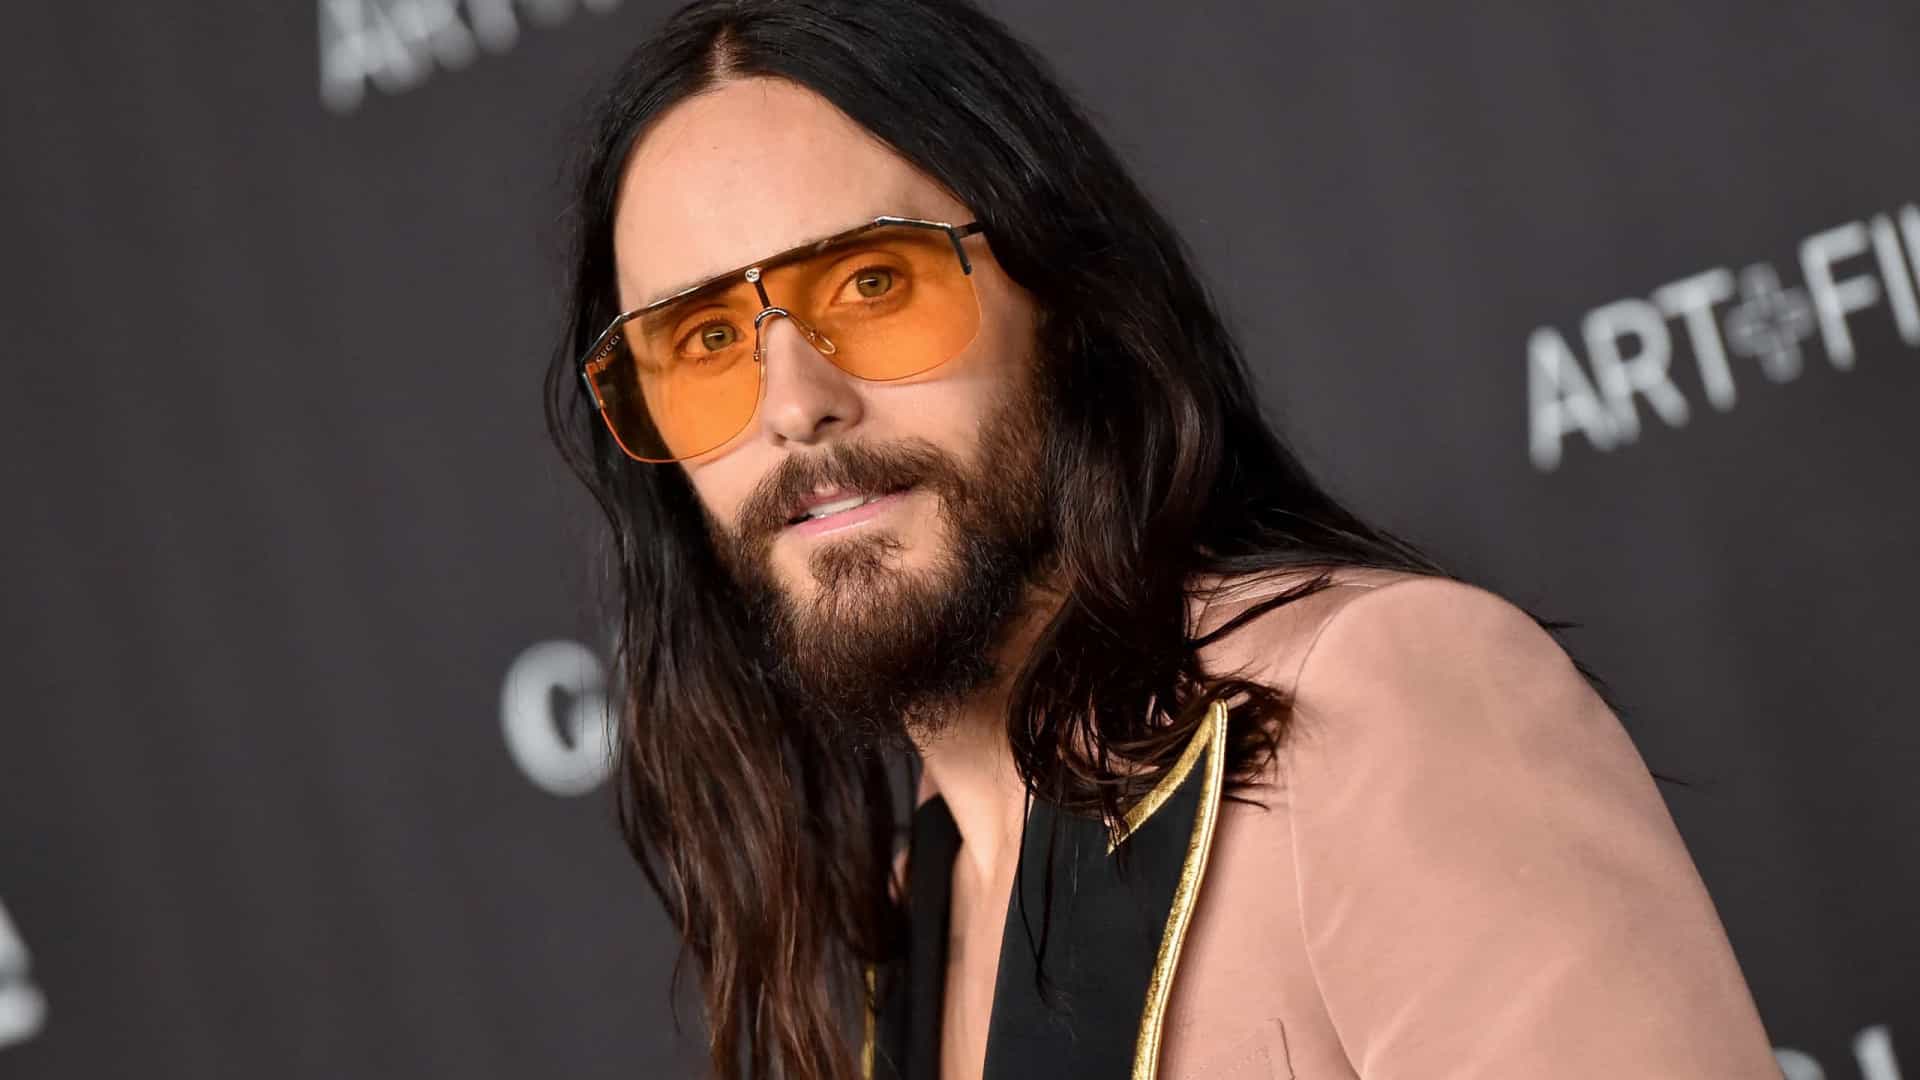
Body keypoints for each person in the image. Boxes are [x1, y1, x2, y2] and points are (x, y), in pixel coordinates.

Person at [543, 1, 1779, 1076]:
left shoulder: (1371, 700)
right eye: (706, 343)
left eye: (874, 284)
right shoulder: (923, 903)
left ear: (1064, 299)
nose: (795, 405)